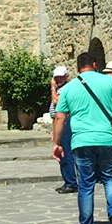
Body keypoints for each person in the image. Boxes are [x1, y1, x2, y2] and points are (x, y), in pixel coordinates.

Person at [52, 53, 112, 224]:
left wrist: (57, 143)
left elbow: (60, 117)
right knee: (111, 178)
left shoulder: (69, 88)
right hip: (107, 138)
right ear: (95, 65)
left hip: (81, 141)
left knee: (86, 184)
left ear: (77, 67)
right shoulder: (108, 81)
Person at [49, 66, 77, 195]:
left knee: (66, 153)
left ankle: (71, 182)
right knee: (63, 153)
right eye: (56, 77)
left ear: (66, 77)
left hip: (64, 123)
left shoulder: (65, 89)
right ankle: (68, 181)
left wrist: (52, 88)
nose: (58, 79)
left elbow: (56, 102)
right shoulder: (61, 88)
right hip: (59, 122)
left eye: (61, 77)